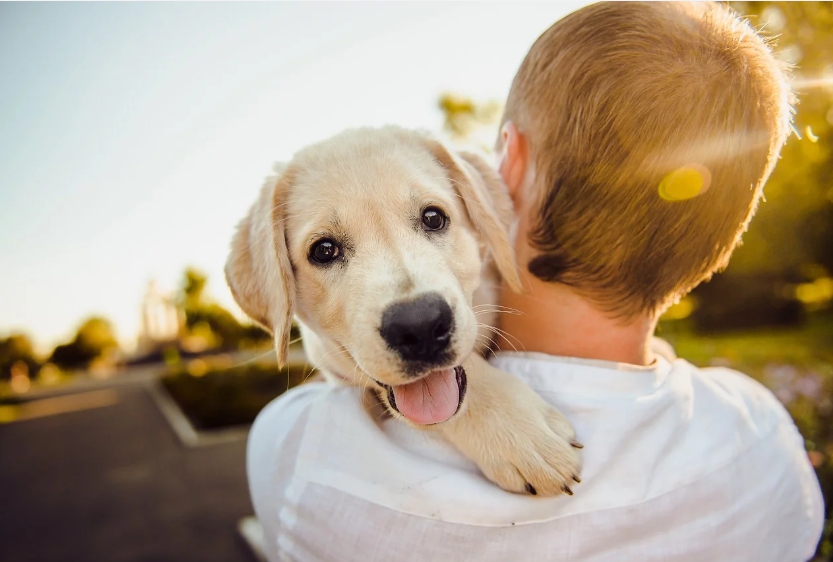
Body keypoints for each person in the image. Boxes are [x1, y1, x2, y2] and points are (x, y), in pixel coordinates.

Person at [246, 3, 824, 560]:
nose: (412, 303)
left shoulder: (300, 454)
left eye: (431, 219)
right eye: (327, 250)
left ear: (508, 167)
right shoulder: (763, 438)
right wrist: (475, 399)